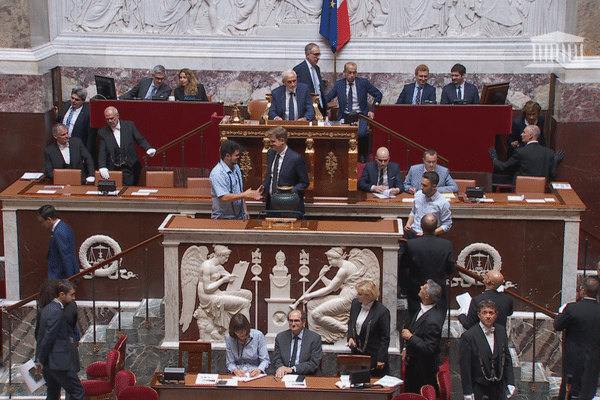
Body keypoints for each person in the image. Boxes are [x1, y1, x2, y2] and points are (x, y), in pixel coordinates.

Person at [400, 214, 455, 320]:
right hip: (438, 290)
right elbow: (451, 269)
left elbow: (404, 264)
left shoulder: (412, 244)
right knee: (437, 322)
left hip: (417, 290)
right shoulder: (446, 245)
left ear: (421, 226)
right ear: (436, 227)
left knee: (415, 320)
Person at [35, 280, 85, 400]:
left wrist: (40, 358)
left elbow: (39, 336)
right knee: (78, 391)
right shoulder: (57, 312)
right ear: (62, 294)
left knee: (52, 393)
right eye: (71, 295)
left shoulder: (46, 308)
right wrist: (40, 360)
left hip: (50, 362)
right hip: (58, 361)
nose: (73, 298)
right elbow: (48, 337)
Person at [325, 62, 383, 163]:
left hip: (360, 115)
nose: (352, 75)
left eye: (354, 72)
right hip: (345, 115)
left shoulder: (363, 83)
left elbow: (378, 94)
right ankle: (342, 155)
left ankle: (362, 153)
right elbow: (328, 97)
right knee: (340, 133)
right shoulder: (339, 84)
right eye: (349, 73)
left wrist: (373, 110)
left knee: (361, 133)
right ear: (344, 72)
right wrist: (319, 103)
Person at [554, 276, 600, 400]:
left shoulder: (572, 308)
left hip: (573, 356)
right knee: (588, 387)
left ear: (582, 290)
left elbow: (558, 325)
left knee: (569, 388)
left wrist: (561, 313)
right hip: (594, 356)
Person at [460, 300, 515, 400]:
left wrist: (510, 382)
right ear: (479, 315)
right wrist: (467, 392)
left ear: (496, 315)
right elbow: (465, 367)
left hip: (499, 387)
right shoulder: (469, 336)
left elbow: (506, 358)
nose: (488, 316)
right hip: (479, 387)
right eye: (484, 313)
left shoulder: (501, 330)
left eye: (491, 313)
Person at [401, 280, 444, 395]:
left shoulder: (433, 320)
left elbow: (430, 347)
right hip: (414, 365)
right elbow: (416, 330)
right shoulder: (423, 309)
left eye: (424, 287)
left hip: (424, 371)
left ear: (427, 296)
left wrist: (410, 337)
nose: (420, 287)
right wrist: (406, 349)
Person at [97, 106, 157, 186]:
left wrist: (148, 148)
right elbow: (102, 151)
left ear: (117, 116)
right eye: (107, 119)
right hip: (114, 168)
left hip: (130, 166)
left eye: (112, 118)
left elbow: (139, 139)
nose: (110, 121)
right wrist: (102, 166)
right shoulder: (102, 132)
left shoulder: (129, 126)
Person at [262, 127, 310, 216]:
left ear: (282, 141)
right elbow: (271, 176)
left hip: (290, 207)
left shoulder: (296, 158)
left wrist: (290, 192)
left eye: (273, 141)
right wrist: (263, 186)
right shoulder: (270, 154)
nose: (271, 144)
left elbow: (305, 182)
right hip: (272, 206)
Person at [209, 140, 263, 219]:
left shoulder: (236, 167)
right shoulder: (217, 173)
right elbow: (224, 197)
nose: (238, 157)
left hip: (240, 216)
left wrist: (245, 210)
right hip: (223, 218)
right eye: (236, 155)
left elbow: (239, 190)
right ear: (227, 156)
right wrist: (245, 194)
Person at [347, 280, 390, 377]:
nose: (357, 295)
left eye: (360, 294)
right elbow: (351, 322)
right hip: (358, 353)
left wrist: (381, 358)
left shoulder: (382, 312)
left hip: (374, 355)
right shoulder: (355, 304)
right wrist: (350, 337)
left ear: (368, 296)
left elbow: (385, 337)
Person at [489, 125, 556, 184]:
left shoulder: (520, 152)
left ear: (530, 136)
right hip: (542, 192)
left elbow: (504, 167)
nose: (521, 134)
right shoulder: (549, 153)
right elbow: (552, 174)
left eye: (524, 132)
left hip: (522, 190)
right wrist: (556, 161)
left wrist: (495, 159)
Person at [273, 309, 323, 378]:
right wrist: (280, 368)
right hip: (285, 375)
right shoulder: (280, 337)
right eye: (291, 321)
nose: (293, 324)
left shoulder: (314, 338)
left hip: (308, 376)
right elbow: (277, 359)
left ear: (304, 322)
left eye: (296, 321)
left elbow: (313, 363)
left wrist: (292, 369)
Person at [37, 205, 80, 280]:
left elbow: (66, 256)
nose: (42, 225)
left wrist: (70, 279)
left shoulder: (59, 232)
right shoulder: (64, 226)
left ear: (49, 219)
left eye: (42, 222)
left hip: (60, 277)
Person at [405, 171, 452, 235]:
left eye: (425, 185)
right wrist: (408, 224)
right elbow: (413, 212)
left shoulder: (443, 203)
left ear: (434, 186)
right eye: (421, 184)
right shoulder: (418, 195)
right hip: (413, 232)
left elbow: (447, 224)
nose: (421, 187)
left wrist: (428, 234)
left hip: (430, 237)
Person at [56, 87, 93, 154]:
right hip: (62, 145)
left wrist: (87, 154)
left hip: (77, 147)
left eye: (77, 100)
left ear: (83, 100)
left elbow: (90, 136)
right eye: (72, 98)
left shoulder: (87, 113)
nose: (73, 101)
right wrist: (56, 116)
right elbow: (65, 120)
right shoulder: (67, 104)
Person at [293, 43, 327, 116]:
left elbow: (319, 89)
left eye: (319, 54)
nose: (318, 57)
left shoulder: (317, 69)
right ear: (308, 55)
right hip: (307, 110)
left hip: (320, 108)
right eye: (316, 55)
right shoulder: (299, 69)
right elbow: (298, 92)